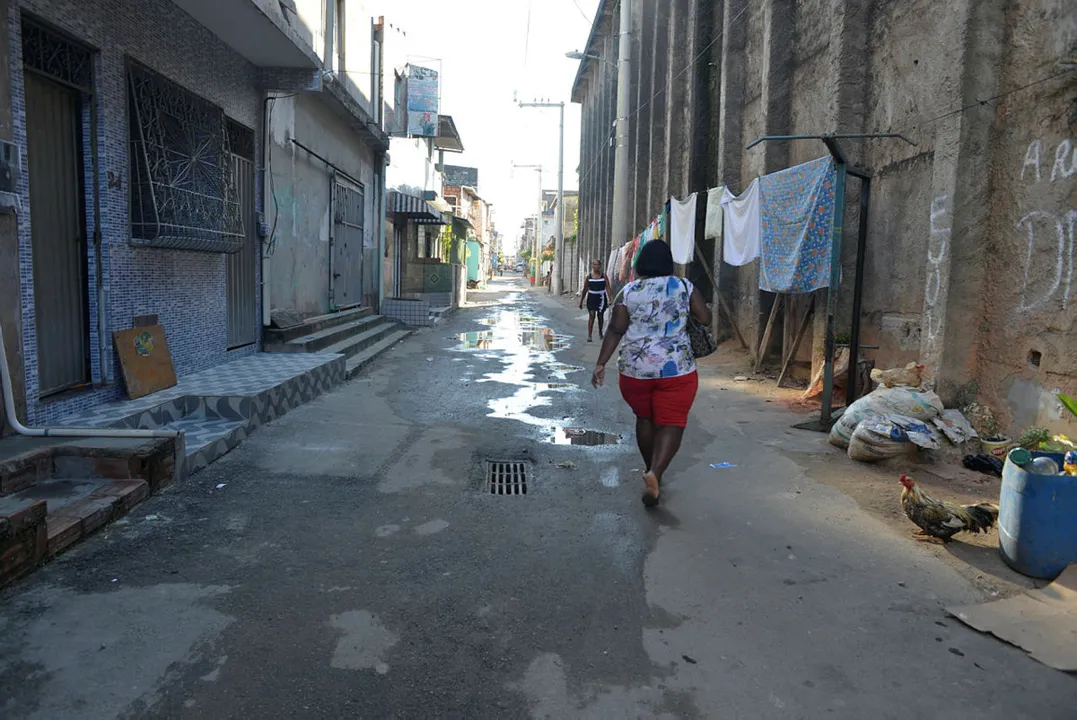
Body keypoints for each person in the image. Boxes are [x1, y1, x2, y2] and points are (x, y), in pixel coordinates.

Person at [591, 240, 711, 507]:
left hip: (635, 370)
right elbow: (704, 317)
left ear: (641, 263)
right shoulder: (683, 286)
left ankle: (650, 469)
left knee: (644, 418)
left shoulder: (629, 291)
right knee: (671, 422)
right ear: (668, 262)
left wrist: (600, 364)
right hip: (676, 369)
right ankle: (656, 472)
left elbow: (615, 330)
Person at [578, 259, 613, 342]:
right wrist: (581, 301)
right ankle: (589, 335)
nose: (596, 266)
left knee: (600, 316)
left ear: (600, 266)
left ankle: (600, 332)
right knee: (592, 315)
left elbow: (607, 287)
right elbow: (585, 289)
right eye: (594, 265)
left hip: (601, 298)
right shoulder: (589, 277)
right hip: (591, 298)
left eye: (598, 265)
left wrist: (610, 298)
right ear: (592, 266)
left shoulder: (603, 276)